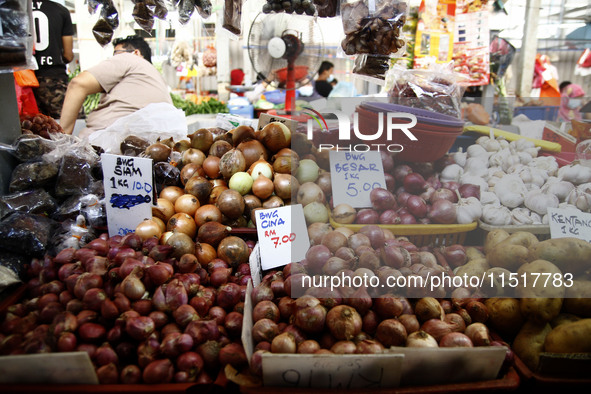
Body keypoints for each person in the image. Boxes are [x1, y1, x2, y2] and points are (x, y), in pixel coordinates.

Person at [59, 35, 172, 137]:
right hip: (152, 147)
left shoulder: (129, 58)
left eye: (116, 53)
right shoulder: (157, 77)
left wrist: (60, 141)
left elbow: (78, 84)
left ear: (136, 53)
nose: (113, 58)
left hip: (107, 146)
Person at [32, 0, 74, 119]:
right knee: (68, 125)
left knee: (32, 128)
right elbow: (68, 55)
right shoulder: (61, 10)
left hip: (24, 80)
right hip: (53, 79)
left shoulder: (17, 10)